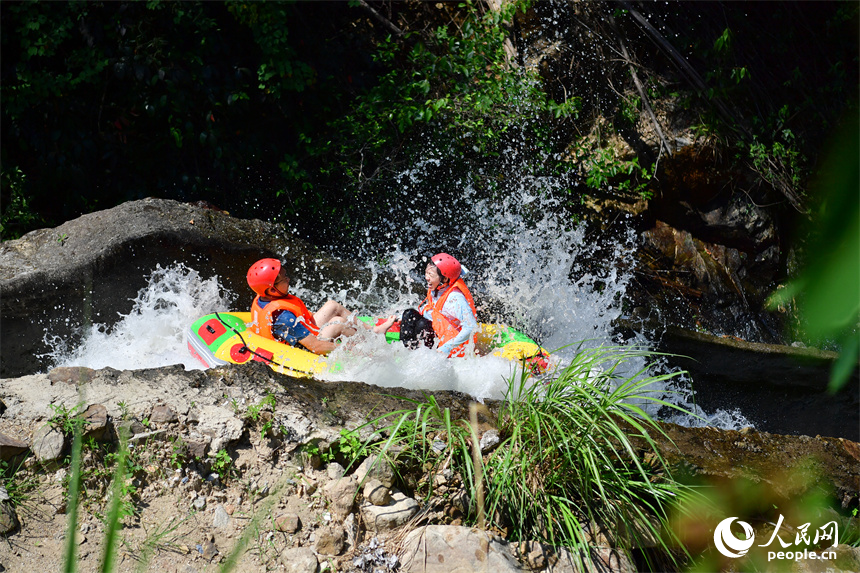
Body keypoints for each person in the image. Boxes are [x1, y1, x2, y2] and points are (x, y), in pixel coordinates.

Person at [246, 258, 395, 355]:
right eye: (284, 278)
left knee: (332, 305)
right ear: (272, 290)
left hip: (304, 333)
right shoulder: (283, 317)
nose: (288, 279)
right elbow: (315, 347)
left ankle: (374, 331)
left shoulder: (264, 296)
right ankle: (369, 349)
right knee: (338, 323)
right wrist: (346, 350)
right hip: (303, 349)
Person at [401, 253, 479, 357]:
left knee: (423, 324)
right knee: (409, 314)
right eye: (426, 273)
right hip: (438, 332)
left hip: (452, 345)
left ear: (445, 279)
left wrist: (447, 347)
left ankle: (424, 357)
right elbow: (433, 310)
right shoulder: (438, 287)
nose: (426, 278)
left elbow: (471, 326)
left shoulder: (455, 298)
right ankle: (407, 352)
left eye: (431, 275)